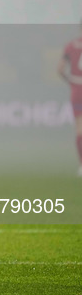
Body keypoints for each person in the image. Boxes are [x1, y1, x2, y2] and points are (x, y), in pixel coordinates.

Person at [58, 20, 82, 177]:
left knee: (80, 128)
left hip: (78, 90)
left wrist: (71, 83)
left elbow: (60, 69)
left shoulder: (71, 46)